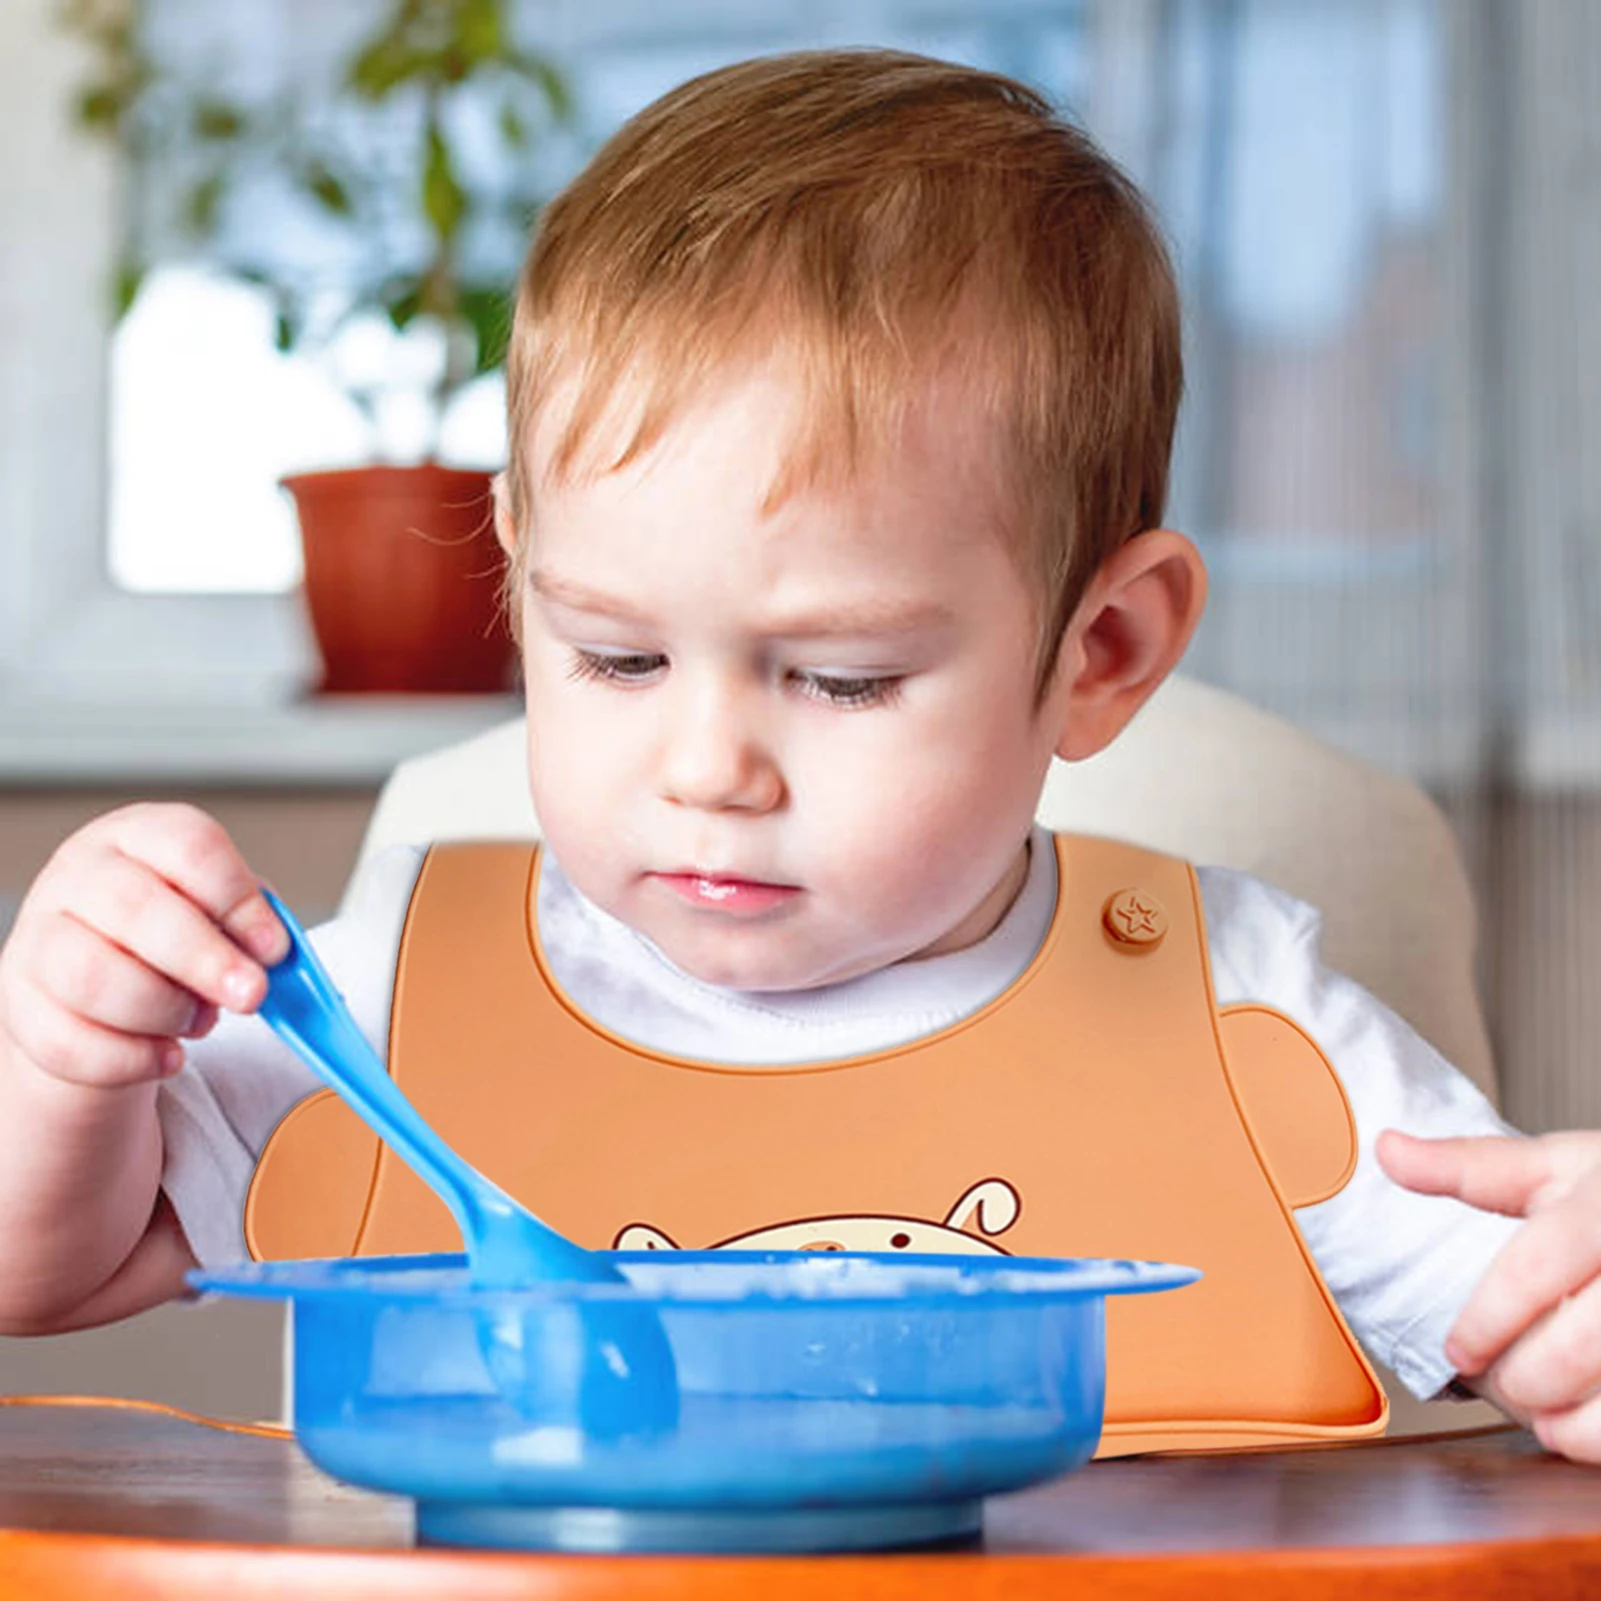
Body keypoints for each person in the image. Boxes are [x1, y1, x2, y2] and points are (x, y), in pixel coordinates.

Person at [0, 48, 1596, 1460]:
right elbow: (48, 1270)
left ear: (1097, 654)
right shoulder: (396, 1006)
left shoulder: (1245, 1028)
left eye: (839, 680)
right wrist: (68, 1062)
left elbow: (1532, 1322)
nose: (708, 769)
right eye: (615, 655)